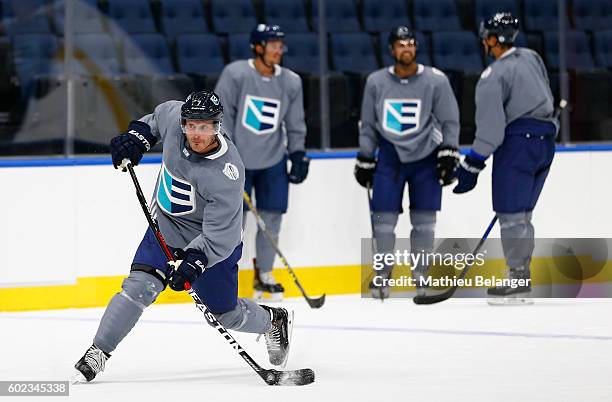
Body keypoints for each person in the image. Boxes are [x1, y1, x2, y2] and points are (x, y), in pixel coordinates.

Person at [72, 91, 293, 383]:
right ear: (183, 122)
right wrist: (135, 140)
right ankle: (98, 351)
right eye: (191, 125)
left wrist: (194, 261)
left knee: (225, 315)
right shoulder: (173, 117)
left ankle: (271, 320)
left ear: (217, 126)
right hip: (164, 229)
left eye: (205, 127)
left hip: (210, 244)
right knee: (139, 287)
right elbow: (150, 124)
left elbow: (219, 236)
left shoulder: (227, 173)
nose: (197, 134)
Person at [453, 13, 558, 304]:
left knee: (511, 214)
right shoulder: (532, 57)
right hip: (546, 142)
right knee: (523, 214)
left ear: (490, 40)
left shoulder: (492, 76)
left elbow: (490, 129)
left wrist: (472, 164)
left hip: (517, 144)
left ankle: (517, 279)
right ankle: (521, 274)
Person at [354, 26, 460, 299]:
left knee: (424, 223)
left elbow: (449, 121)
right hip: (389, 157)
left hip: (426, 157)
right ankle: (382, 276)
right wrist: (366, 156)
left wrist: (449, 151)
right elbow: (368, 124)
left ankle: (421, 275)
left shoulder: (436, 80)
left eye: (410, 44)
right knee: (383, 222)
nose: (406, 49)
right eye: (401, 44)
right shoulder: (376, 82)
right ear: (392, 50)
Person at [214, 24, 309, 301]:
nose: (278, 49)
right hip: (237, 162)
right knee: (234, 223)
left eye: (281, 44)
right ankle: (223, 275)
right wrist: (224, 153)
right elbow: (221, 116)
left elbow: (295, 121)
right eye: (272, 44)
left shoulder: (291, 81)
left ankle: (264, 275)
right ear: (257, 46)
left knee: (272, 220)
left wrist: (298, 152)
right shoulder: (236, 74)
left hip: (273, 162)